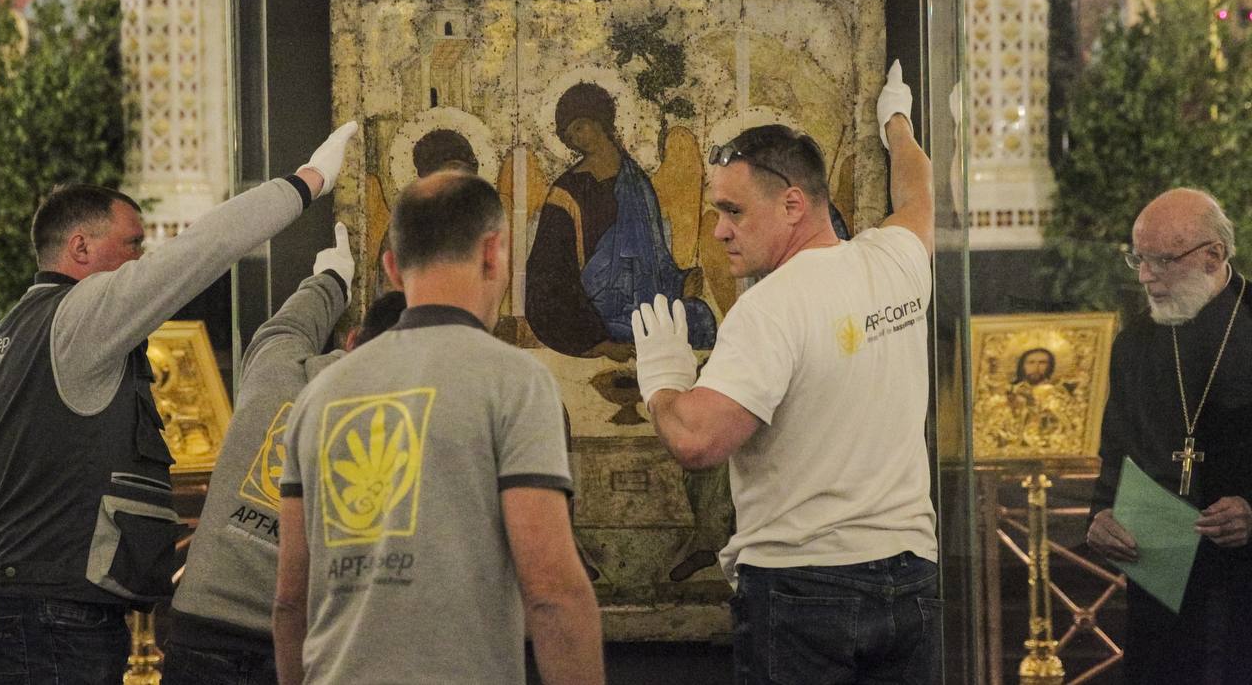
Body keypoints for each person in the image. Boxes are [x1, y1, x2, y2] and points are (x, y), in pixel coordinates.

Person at [0, 121, 358, 684]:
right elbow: (198, 251)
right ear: (80, 247)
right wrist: (307, 182)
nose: (141, 259)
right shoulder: (80, 315)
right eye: (133, 244)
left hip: (16, 604)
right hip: (58, 614)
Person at [632, 60, 940, 684]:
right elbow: (919, 195)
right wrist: (898, 126)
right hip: (912, 581)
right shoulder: (895, 261)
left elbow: (697, 441)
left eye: (734, 211)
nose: (720, 231)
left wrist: (663, 380)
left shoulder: (769, 308)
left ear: (793, 204)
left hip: (805, 592)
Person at [274, 171, 604, 685]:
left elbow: (290, 602)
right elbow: (552, 592)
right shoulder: (515, 381)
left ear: (392, 268)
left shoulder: (320, 395)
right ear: (492, 253)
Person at [164, 224, 407, 685]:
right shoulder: (400, 424)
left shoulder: (277, 365)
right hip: (296, 642)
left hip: (199, 622)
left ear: (352, 339)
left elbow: (286, 326)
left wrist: (332, 278)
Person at [1085, 188, 1252, 684]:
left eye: (1162, 260)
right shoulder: (1135, 344)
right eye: (1138, 259)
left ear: (1213, 256)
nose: (1144, 275)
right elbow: (1116, 454)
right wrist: (1102, 516)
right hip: (1163, 593)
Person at [526, 81, 716, 360]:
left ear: (599, 120)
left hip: (643, 302)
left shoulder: (636, 182)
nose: (575, 139)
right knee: (647, 330)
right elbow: (549, 275)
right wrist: (598, 342)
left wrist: (680, 283)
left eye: (579, 127)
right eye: (568, 135)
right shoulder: (565, 192)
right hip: (595, 314)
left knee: (700, 317)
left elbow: (656, 254)